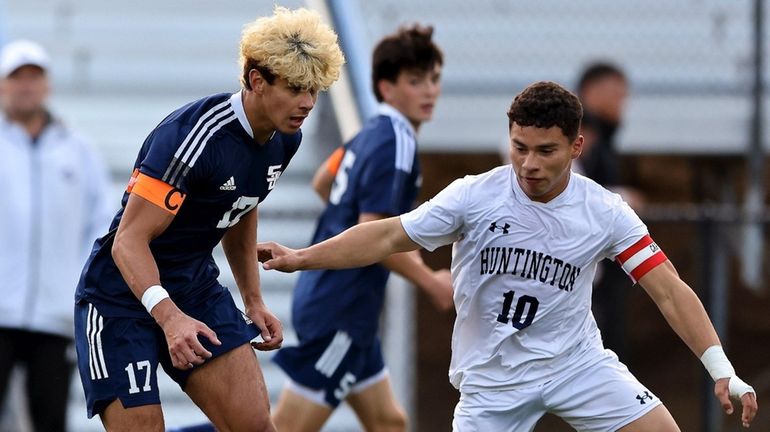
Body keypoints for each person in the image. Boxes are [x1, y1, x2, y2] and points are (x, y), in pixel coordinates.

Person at [258, 81, 758, 430]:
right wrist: (301, 257)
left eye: (545, 151)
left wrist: (722, 369)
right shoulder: (474, 196)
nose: (528, 164)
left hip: (575, 364)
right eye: (519, 147)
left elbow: (669, 290)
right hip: (492, 382)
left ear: (576, 146)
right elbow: (388, 236)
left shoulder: (605, 211)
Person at [72, 7, 344, 431]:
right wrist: (169, 317)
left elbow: (241, 206)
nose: (308, 102)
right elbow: (128, 241)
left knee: (254, 426)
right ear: (257, 80)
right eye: (295, 88)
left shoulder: (285, 138)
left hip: (194, 287)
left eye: (313, 89)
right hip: (119, 297)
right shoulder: (192, 138)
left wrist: (253, 300)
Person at [270, 24, 452, 432]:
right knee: (285, 428)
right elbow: (376, 233)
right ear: (386, 88)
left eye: (434, 79)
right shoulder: (397, 141)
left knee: (389, 421)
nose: (429, 91)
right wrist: (431, 281)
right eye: (415, 81)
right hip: (342, 308)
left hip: (343, 306)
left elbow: (323, 180)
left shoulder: (370, 132)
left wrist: (341, 221)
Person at [0, 39, 113, 432]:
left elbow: (104, 222)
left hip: (55, 315)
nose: (26, 86)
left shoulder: (77, 150)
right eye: (17, 78)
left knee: (50, 419)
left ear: (46, 85)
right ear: (3, 86)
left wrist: (78, 286)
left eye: (34, 77)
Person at [577, 62, 645, 361]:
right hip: (588, 269)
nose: (623, 102)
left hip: (609, 267)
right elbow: (573, 190)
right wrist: (623, 197)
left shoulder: (604, 138)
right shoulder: (584, 136)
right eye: (617, 93)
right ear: (592, 91)